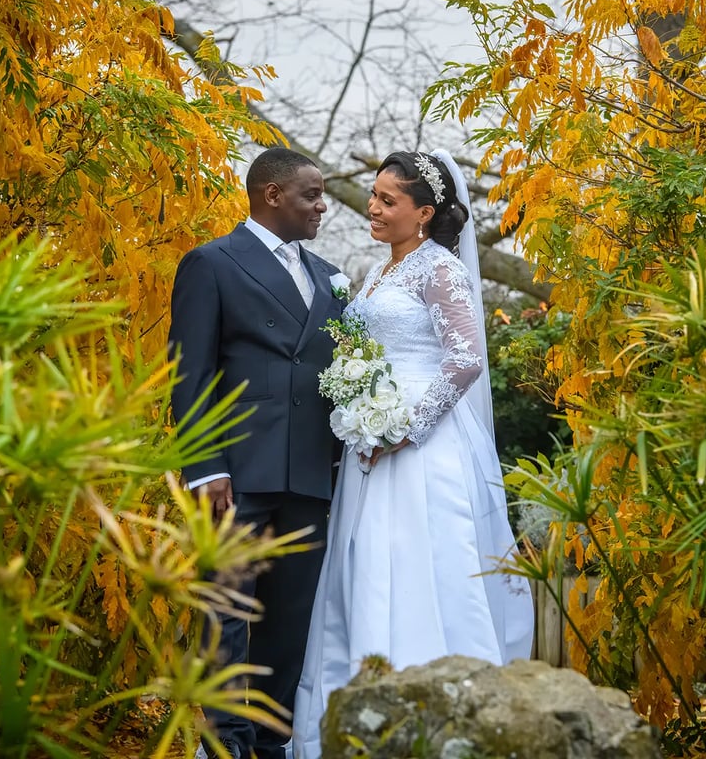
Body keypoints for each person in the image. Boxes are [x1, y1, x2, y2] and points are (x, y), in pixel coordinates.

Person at [291, 149, 535, 759]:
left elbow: (465, 361)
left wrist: (407, 428)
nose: (372, 208)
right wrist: (357, 406)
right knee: (362, 564)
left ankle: (442, 713)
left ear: (423, 213)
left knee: (421, 564)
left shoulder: (440, 271)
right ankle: (356, 711)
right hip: (367, 444)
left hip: (422, 447)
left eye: (387, 201)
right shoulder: (374, 275)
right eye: (372, 196)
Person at [168, 147, 346, 759]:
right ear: (272, 195)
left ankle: (271, 746)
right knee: (225, 615)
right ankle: (225, 745)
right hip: (236, 475)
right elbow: (188, 376)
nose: (323, 204)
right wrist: (206, 467)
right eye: (311, 194)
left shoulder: (329, 275)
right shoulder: (211, 264)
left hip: (309, 475)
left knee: (288, 622)